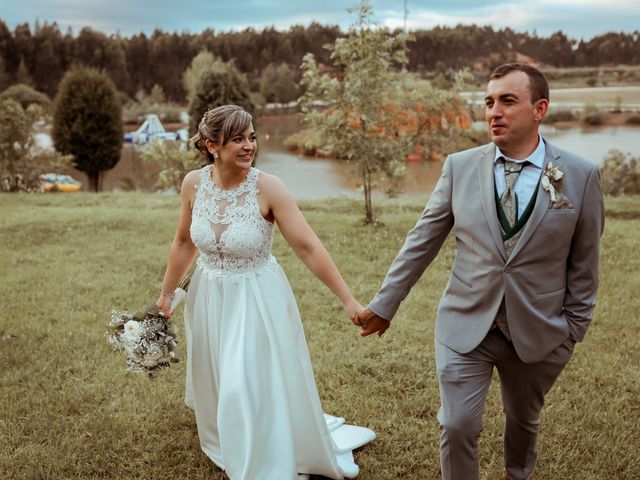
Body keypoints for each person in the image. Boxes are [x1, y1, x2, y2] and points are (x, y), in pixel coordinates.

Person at [356, 63, 604, 479]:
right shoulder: (460, 167)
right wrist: (385, 305)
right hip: (465, 322)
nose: (494, 111)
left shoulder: (580, 175)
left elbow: (585, 261)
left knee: (523, 423)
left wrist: (573, 328)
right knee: (457, 425)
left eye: (508, 100)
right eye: (489, 102)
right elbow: (422, 242)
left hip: (539, 329)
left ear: (539, 108)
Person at [157, 105, 375, 480]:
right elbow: (182, 242)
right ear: (212, 145)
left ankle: (258, 461)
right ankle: (231, 438)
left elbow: (307, 246)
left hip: (256, 298)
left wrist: (348, 300)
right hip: (208, 297)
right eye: (238, 139)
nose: (249, 146)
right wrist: (167, 293)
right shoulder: (194, 184)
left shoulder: (268, 187)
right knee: (221, 378)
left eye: (252, 137)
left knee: (243, 381)